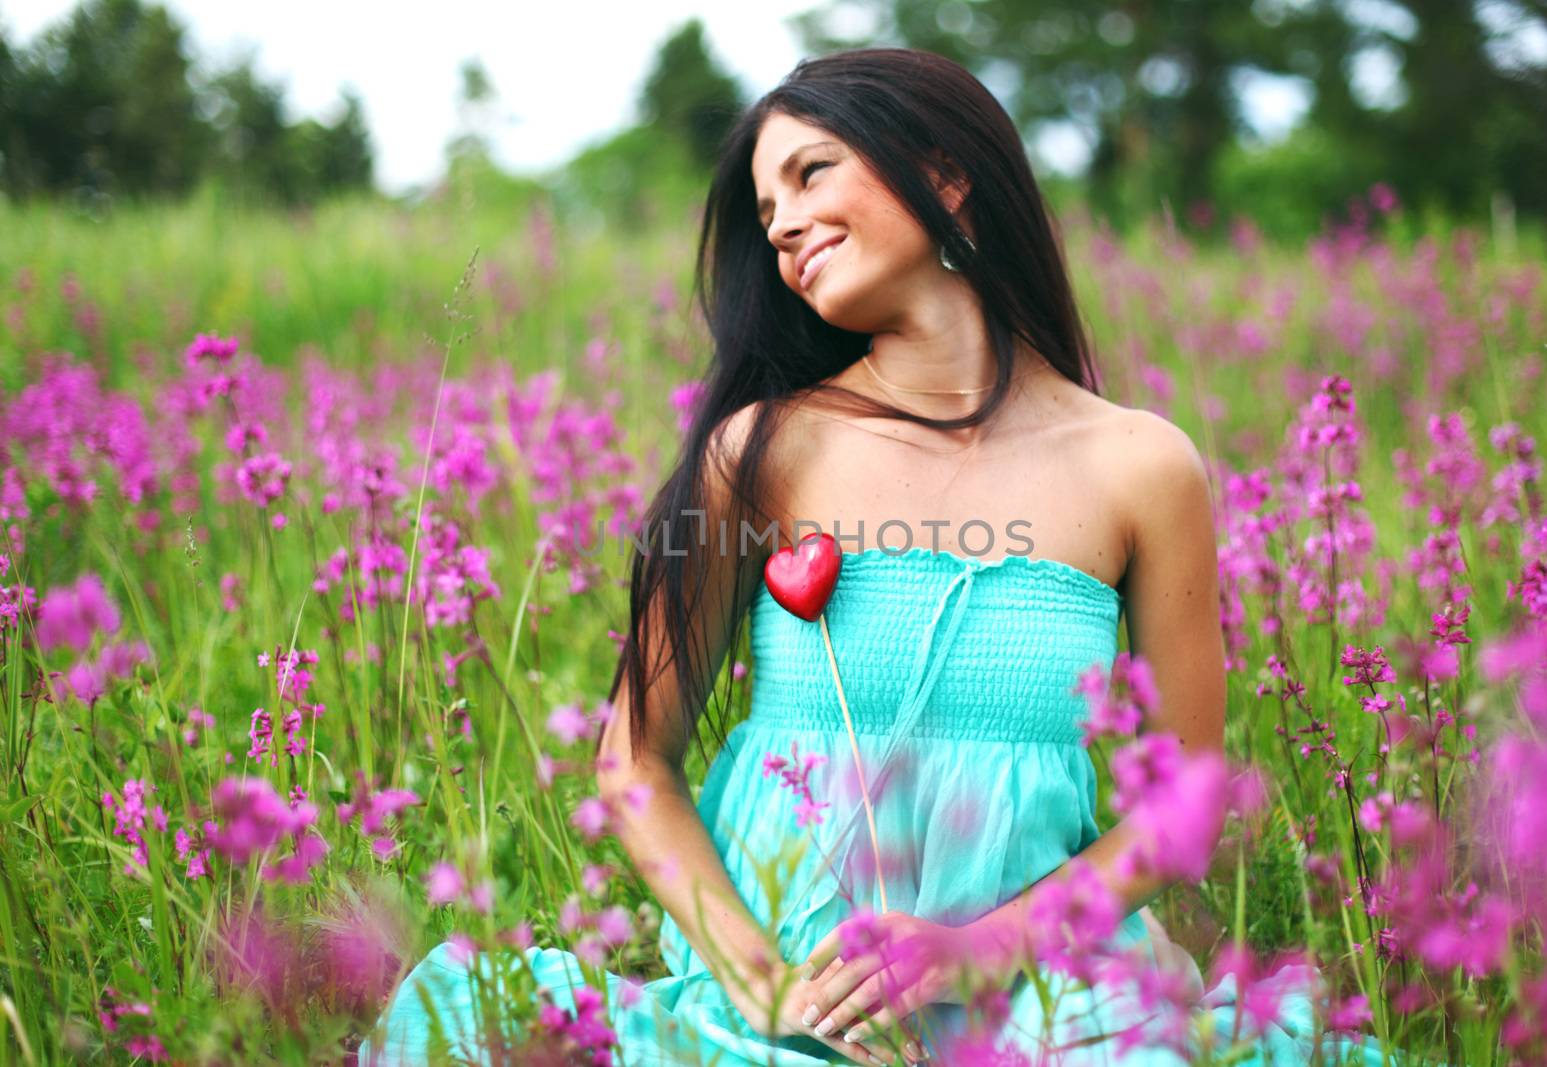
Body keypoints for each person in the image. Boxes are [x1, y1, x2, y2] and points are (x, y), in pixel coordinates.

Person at [361, 47, 1394, 1067]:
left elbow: (1185, 796)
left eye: (812, 173)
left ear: (944, 174)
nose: (787, 227)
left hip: (1034, 994)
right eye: (768, 217)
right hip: (800, 996)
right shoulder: (762, 451)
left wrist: (976, 951)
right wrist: (763, 984)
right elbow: (634, 760)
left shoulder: (1139, 465)